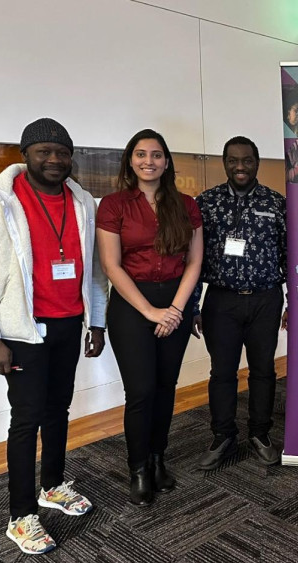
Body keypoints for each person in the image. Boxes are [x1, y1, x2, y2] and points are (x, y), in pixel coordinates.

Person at [0, 118, 108, 554]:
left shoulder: (82, 201)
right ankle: (21, 513)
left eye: (62, 152)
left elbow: (95, 271)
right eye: (44, 151)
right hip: (22, 332)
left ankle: (53, 485)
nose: (54, 160)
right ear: (25, 154)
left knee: (58, 409)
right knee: (26, 420)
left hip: (68, 323)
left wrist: (96, 322)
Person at [96, 129, 203, 506]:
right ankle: (138, 468)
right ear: (130, 160)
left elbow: (194, 262)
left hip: (175, 300)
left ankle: (159, 459)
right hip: (131, 305)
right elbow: (111, 265)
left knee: (165, 387)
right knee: (140, 392)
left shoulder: (186, 204)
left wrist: (175, 310)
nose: (148, 161)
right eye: (141, 154)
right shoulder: (113, 205)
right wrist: (150, 310)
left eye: (156, 155)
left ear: (167, 161)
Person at [192, 136, 287, 470]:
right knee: (222, 373)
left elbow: (289, 255)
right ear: (224, 162)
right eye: (233, 160)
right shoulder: (206, 203)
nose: (241, 167)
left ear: (257, 162)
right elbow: (191, 260)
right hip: (221, 301)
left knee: (263, 371)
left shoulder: (276, 203)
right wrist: (192, 305)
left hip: (265, 300)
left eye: (247, 160)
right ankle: (223, 436)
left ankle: (260, 434)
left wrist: (294, 304)